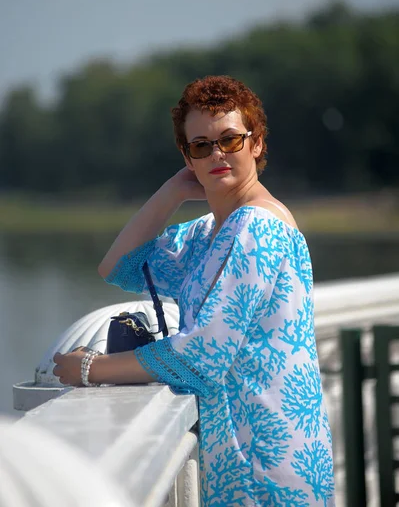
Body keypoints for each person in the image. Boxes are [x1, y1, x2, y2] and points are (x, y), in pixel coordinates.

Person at [53, 75, 335, 506]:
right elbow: (119, 267)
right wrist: (171, 192)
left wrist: (91, 368)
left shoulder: (257, 226)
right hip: (238, 446)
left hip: (265, 456)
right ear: (188, 156)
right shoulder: (210, 231)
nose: (218, 154)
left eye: (230, 140)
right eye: (201, 146)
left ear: (257, 144)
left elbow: (202, 355)